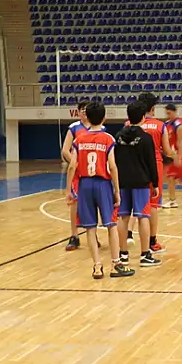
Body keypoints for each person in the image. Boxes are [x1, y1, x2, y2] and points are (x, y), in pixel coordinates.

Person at [65, 102, 132, 279]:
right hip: (103, 184)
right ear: (103, 117)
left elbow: (72, 166)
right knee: (110, 225)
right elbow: (113, 166)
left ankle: (96, 266)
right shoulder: (108, 139)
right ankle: (116, 263)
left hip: (85, 185)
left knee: (90, 228)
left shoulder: (79, 139)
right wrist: (117, 191)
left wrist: (69, 189)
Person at [115, 101, 161, 268]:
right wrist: (155, 183)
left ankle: (123, 254)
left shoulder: (118, 136)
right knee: (143, 217)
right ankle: (145, 254)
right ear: (143, 117)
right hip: (141, 181)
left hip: (123, 182)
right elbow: (151, 163)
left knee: (123, 217)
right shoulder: (146, 138)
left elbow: (115, 161)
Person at [138, 92, 176, 255]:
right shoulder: (160, 126)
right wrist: (174, 153)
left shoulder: (129, 124)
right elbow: (167, 152)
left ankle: (124, 244)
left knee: (133, 206)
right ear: (153, 108)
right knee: (153, 205)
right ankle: (152, 241)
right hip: (154, 166)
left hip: (135, 166)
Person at [61, 100, 91, 251]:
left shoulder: (99, 127)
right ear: (78, 112)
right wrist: (75, 163)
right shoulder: (74, 128)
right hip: (78, 172)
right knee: (74, 203)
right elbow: (65, 150)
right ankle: (74, 236)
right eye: (82, 110)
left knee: (92, 204)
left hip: (93, 172)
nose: (85, 112)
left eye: (87, 110)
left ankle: (93, 235)